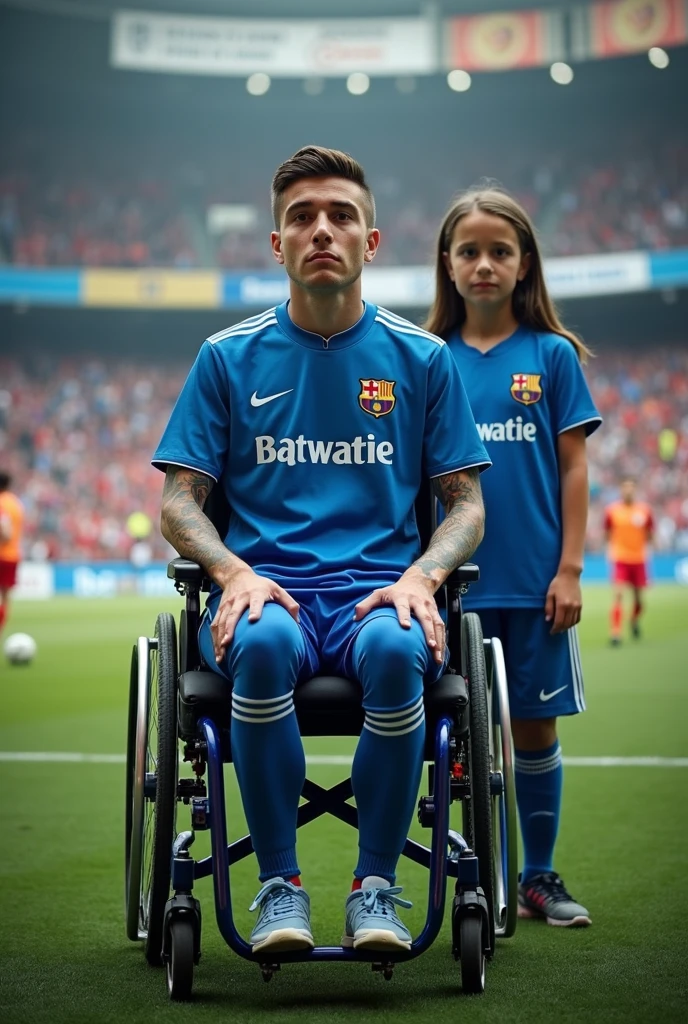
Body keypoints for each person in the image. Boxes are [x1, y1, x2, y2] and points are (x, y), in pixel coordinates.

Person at [153, 146, 490, 955]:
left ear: (371, 242)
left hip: (381, 595)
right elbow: (176, 501)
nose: (322, 230)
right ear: (278, 246)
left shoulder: (422, 359)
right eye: (302, 217)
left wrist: (424, 574)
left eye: (341, 215)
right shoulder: (225, 358)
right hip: (267, 594)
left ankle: (375, 889)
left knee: (402, 644)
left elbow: (467, 504)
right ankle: (280, 888)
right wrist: (233, 571)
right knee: (260, 642)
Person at [425, 186, 602, 928]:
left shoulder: (552, 356)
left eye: (500, 250)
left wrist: (569, 568)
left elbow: (572, 467)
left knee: (533, 728)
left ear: (525, 264)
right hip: (451, 584)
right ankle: (458, 871)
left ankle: (538, 877)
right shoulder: (427, 358)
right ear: (448, 265)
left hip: (534, 581)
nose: (485, 264)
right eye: (470, 251)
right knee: (446, 731)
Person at [604, 479, 653, 645]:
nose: (628, 491)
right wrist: (613, 549)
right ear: (620, 491)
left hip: (639, 559)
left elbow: (650, 534)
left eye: (631, 488)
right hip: (620, 558)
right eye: (625, 488)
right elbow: (607, 532)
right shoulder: (612, 511)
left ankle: (633, 620)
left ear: (635, 490)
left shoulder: (644, 511)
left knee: (639, 600)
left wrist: (646, 551)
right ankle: (615, 633)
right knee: (618, 595)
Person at [0, 471, 24, 635]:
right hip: (13, 555)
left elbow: (5, 533)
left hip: (1, 554)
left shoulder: (1, 503)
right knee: (5, 597)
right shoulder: (16, 503)